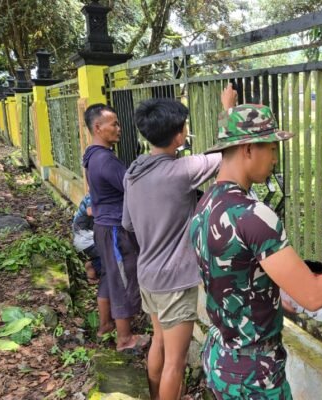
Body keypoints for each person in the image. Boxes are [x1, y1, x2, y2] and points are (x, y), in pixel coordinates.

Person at [189, 104, 322, 399]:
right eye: (272, 148)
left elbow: (234, 274)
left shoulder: (206, 203)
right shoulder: (253, 215)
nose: (275, 158)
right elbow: (312, 295)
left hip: (221, 358)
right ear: (248, 149)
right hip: (255, 377)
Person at [121, 86, 235, 400]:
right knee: (176, 361)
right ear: (178, 135)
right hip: (173, 282)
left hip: (147, 275)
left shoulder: (133, 172)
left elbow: (127, 224)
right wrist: (228, 110)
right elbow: (229, 152)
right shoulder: (181, 171)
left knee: (158, 341)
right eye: (184, 126)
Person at [82, 104, 149, 353]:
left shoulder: (91, 155)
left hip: (103, 226)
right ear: (98, 127)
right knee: (123, 279)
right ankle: (125, 338)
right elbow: (133, 189)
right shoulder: (105, 160)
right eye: (114, 124)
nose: (119, 129)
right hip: (115, 229)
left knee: (110, 276)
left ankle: (105, 325)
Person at [71, 193, 115, 338]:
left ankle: (92, 266)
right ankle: (93, 267)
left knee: (107, 259)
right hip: (86, 239)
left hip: (86, 238)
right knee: (110, 264)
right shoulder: (93, 195)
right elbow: (91, 211)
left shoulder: (95, 192)